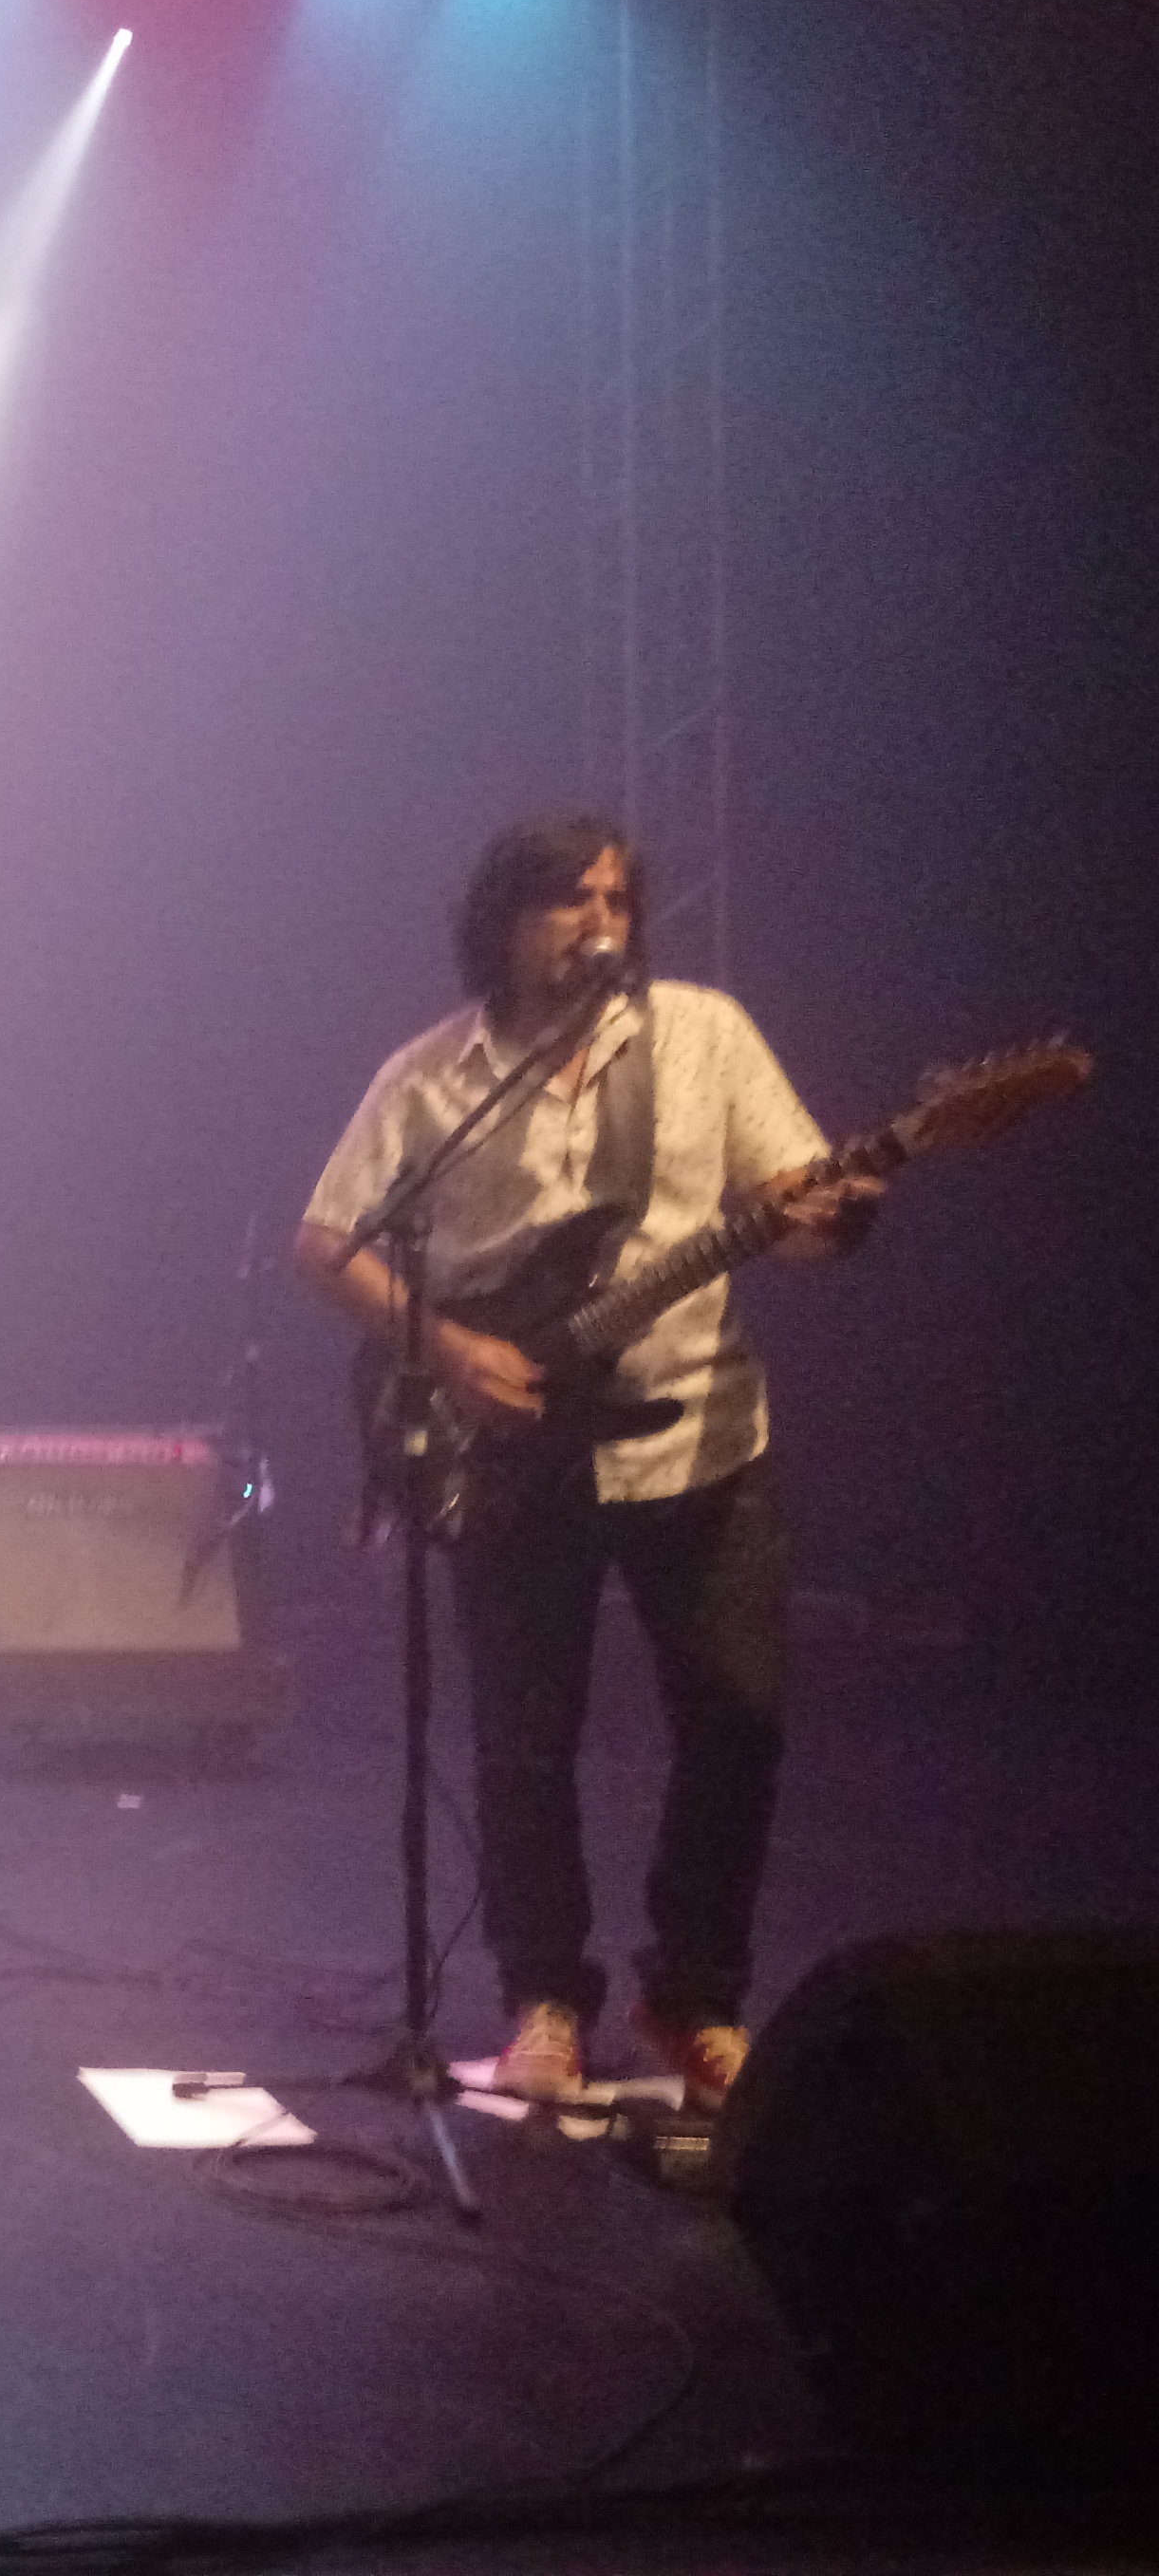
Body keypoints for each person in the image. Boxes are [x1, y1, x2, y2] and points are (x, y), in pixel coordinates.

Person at [295, 812, 881, 2114]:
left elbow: (793, 1216)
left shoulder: (704, 1036)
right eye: (568, 901)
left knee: (736, 1721)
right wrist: (451, 1351)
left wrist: (831, 1218)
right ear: (504, 924)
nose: (599, 923)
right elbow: (326, 1244)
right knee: (524, 1737)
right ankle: (543, 2000)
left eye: (615, 899)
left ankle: (694, 1999)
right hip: (510, 1449)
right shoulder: (435, 1078)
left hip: (697, 1432)